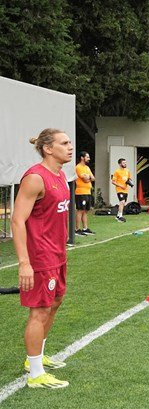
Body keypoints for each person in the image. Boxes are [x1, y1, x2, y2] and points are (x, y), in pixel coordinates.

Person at [12, 128, 74, 389]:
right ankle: (35, 374)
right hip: (40, 257)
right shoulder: (35, 178)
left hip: (57, 254)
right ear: (48, 148)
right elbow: (17, 220)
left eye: (69, 142)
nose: (70, 147)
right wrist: (24, 262)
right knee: (40, 310)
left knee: (56, 301)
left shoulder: (60, 174)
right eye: (64, 143)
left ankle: (36, 357)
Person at [74, 151, 95, 236]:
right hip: (80, 192)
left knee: (85, 211)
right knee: (80, 210)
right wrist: (89, 178)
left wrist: (89, 177)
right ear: (82, 158)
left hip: (88, 192)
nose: (89, 159)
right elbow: (85, 179)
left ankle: (85, 228)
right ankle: (77, 229)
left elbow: (93, 178)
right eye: (87, 157)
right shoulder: (78, 167)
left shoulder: (87, 167)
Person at [110, 158, 132, 222]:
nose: (125, 164)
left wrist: (130, 183)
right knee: (122, 202)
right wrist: (121, 185)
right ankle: (120, 216)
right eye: (123, 163)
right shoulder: (117, 171)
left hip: (126, 190)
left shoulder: (127, 171)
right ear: (120, 164)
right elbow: (113, 182)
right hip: (119, 189)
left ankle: (117, 216)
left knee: (123, 203)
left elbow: (129, 179)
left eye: (125, 162)